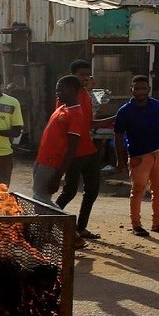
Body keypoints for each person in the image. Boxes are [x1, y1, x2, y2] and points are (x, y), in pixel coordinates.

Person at [114, 75, 159, 237]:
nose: (140, 91)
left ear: (149, 89)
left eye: (143, 88)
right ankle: (136, 225)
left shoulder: (156, 105)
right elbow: (118, 136)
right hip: (138, 155)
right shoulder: (124, 111)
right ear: (131, 90)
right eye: (137, 89)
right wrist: (120, 159)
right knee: (138, 190)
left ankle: (157, 223)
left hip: (157, 152)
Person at [54, 59, 114, 240]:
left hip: (88, 149)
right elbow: (64, 124)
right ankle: (49, 222)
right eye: (82, 75)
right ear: (73, 75)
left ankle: (81, 227)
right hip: (74, 151)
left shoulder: (86, 94)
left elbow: (88, 123)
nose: (86, 78)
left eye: (88, 74)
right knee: (70, 191)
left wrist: (113, 119)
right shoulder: (66, 97)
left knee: (92, 190)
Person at [32, 75, 85, 207]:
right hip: (42, 159)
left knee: (40, 200)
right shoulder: (61, 108)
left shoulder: (76, 114)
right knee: (39, 197)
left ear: (71, 90)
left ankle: (57, 219)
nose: (57, 93)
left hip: (51, 162)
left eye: (60, 90)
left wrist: (57, 176)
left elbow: (71, 149)